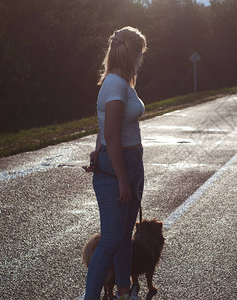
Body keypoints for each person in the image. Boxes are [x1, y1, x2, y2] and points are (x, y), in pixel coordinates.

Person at [84, 26, 147, 300]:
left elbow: (105, 128)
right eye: (140, 53)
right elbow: (111, 133)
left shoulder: (121, 82)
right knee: (111, 238)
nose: (141, 60)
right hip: (120, 166)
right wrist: (121, 178)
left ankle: (123, 289)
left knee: (123, 237)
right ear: (131, 53)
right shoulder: (116, 84)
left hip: (128, 163)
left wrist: (98, 150)